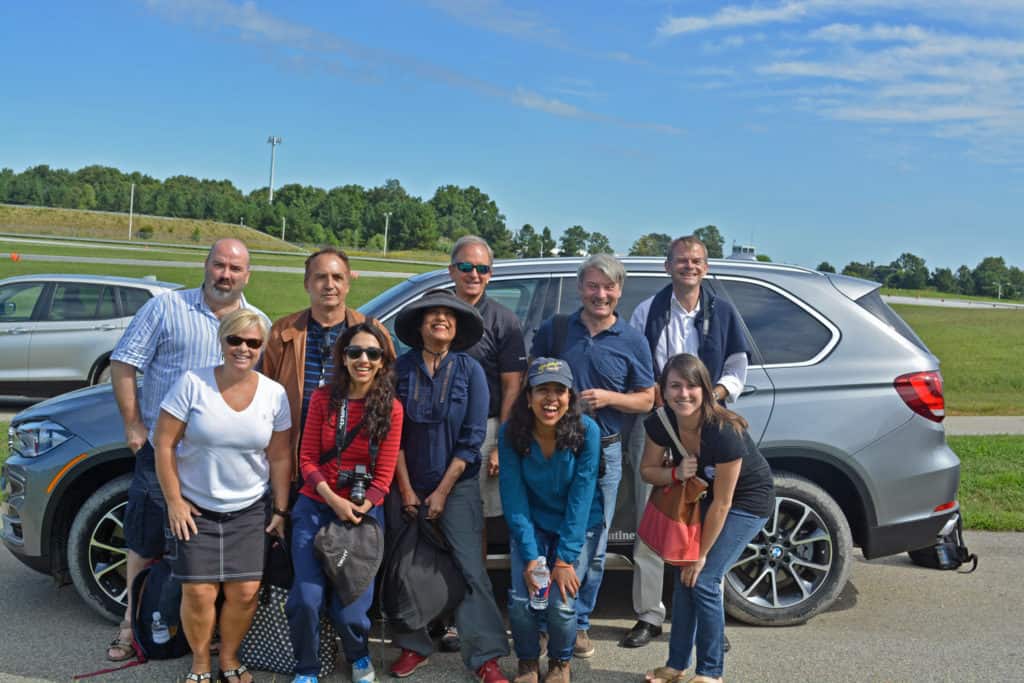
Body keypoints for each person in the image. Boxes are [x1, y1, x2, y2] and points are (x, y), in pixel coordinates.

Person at [106, 238, 263, 662]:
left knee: (206, 550)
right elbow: (124, 362)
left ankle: (197, 633)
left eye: (235, 268)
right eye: (219, 265)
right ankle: (131, 626)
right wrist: (133, 424)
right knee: (145, 540)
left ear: (247, 276)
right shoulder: (166, 308)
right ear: (206, 265)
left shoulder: (255, 324)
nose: (225, 275)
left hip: (218, 462)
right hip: (165, 450)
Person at [623, 235, 752, 649]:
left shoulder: (723, 312)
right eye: (681, 260)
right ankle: (649, 614)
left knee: (707, 520)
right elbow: (635, 364)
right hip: (659, 425)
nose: (689, 266)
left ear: (706, 267)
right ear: (667, 266)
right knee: (652, 520)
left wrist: (712, 397)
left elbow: (737, 366)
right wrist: (658, 397)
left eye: (696, 260)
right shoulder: (647, 311)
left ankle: (706, 617)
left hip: (706, 428)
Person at [153, 309, 292, 683]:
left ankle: (229, 658)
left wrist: (281, 509)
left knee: (245, 592)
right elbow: (164, 444)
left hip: (249, 508)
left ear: (262, 347)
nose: (243, 348)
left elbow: (280, 456)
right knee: (199, 592)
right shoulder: (192, 383)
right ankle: (200, 661)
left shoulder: (274, 394)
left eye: (253, 342)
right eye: (235, 340)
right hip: (196, 507)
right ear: (222, 341)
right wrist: (174, 501)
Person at [530, 253, 655, 658]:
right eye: (592, 285)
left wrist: (610, 398)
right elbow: (532, 380)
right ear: (580, 288)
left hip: (604, 452)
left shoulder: (632, 340)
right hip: (553, 449)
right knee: (547, 537)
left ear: (620, 290)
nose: (600, 294)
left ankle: (578, 623)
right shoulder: (556, 330)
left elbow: (648, 399)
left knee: (593, 544)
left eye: (609, 286)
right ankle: (545, 622)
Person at [388, 289, 510, 683]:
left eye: (448, 315)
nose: (440, 319)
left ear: (457, 327)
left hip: (457, 486)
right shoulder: (399, 369)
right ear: (419, 326)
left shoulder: (470, 370)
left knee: (471, 569)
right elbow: (393, 435)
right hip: (407, 484)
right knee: (407, 567)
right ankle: (413, 645)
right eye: (432, 314)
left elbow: (473, 438)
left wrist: (441, 491)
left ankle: (485, 657)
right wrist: (407, 490)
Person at [641, 354, 773, 683]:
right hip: (704, 499)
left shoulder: (724, 430)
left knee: (704, 579)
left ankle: (711, 673)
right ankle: (676, 666)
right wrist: (675, 473)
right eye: (675, 386)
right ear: (663, 390)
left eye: (691, 386)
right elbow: (647, 471)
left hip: (746, 502)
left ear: (705, 389)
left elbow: (725, 503)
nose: (683, 394)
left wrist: (700, 555)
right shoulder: (661, 422)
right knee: (684, 581)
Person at [286, 322, 403, 683]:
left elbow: (384, 475)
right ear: (343, 358)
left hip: (362, 513)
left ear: (382, 362)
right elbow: (307, 459)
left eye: (372, 353)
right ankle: (307, 667)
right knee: (305, 598)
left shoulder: (392, 409)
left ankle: (358, 653)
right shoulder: (323, 399)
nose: (363, 360)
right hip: (316, 505)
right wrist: (332, 498)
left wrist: (361, 507)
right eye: (355, 352)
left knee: (352, 605)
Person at [444, 234, 527, 652]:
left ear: (491, 275)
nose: (474, 274)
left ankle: (484, 609)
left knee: (482, 523)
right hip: (441, 431)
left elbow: (514, 386)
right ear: (451, 271)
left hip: (488, 429)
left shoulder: (503, 321)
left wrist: (501, 443)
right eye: (466, 267)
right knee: (453, 523)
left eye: (482, 268)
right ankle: (453, 605)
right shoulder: (439, 313)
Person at [499, 358, 602, 683]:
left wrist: (565, 559)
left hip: (576, 525)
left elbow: (582, 498)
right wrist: (531, 556)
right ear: (528, 396)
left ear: (570, 396)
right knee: (521, 600)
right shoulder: (510, 433)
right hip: (533, 523)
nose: (551, 399)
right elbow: (513, 497)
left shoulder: (588, 431)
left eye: (560, 390)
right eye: (543, 390)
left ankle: (560, 662)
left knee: (561, 604)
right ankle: (528, 661)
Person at [262, 246, 394, 477]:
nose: (329, 285)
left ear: (347, 284)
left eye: (337, 277)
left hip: (351, 466)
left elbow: (389, 393)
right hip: (292, 461)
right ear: (307, 284)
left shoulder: (373, 332)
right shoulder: (283, 332)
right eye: (320, 277)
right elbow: (263, 394)